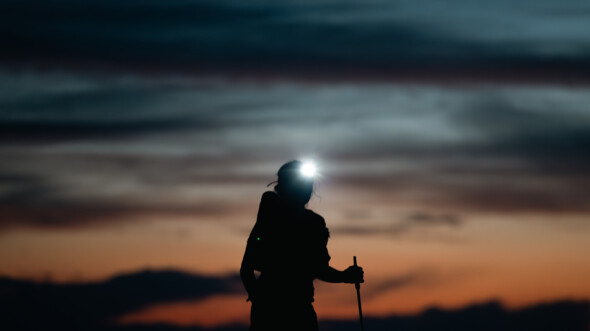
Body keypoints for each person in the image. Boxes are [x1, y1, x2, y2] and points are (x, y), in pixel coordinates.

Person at [240, 160, 364, 331]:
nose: (306, 189)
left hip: (287, 310)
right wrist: (258, 298)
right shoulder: (273, 214)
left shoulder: (312, 223)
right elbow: (247, 266)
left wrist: (345, 276)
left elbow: (318, 268)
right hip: (285, 311)